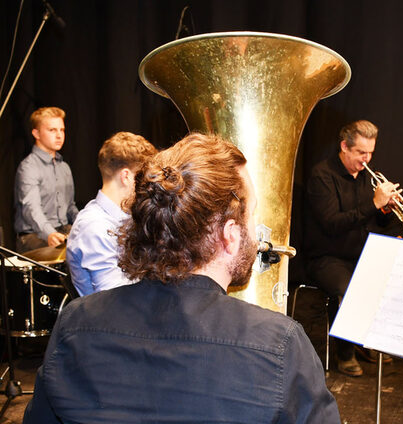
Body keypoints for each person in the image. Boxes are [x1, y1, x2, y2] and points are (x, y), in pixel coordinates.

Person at [23, 133, 339, 423]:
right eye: (251, 216)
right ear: (229, 235)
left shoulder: (74, 325)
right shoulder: (280, 344)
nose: (255, 233)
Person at [304, 119, 399, 377]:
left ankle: (364, 343)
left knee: (391, 278)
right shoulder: (322, 175)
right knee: (350, 288)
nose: (366, 159)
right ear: (344, 147)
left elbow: (377, 220)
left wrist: (385, 210)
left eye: (370, 153)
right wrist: (374, 204)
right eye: (361, 153)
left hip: (359, 253)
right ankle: (345, 352)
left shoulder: (368, 177)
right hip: (326, 256)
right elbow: (332, 224)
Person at [65, 132, 157, 296]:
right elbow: (117, 301)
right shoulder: (94, 227)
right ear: (126, 176)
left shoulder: (126, 217)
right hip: (114, 317)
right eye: (143, 178)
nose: (147, 186)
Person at [14, 107, 79, 252]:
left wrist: (86, 223)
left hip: (62, 230)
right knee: (68, 250)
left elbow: (70, 207)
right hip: (34, 235)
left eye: (61, 130)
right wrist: (49, 233)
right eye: (52, 130)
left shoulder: (64, 167)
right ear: (36, 133)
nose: (59, 135)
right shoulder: (28, 167)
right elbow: (31, 209)